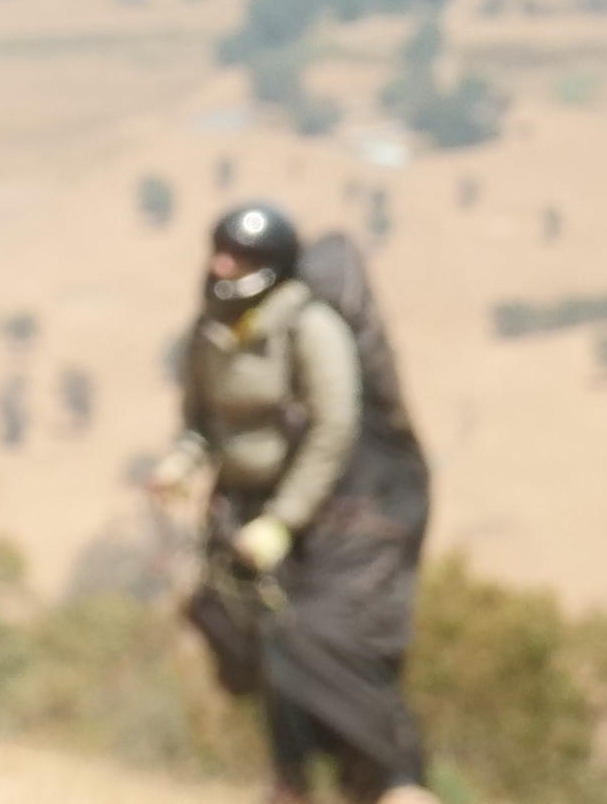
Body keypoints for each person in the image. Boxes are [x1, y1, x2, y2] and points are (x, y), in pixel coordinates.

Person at [167, 201, 437, 804]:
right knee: (261, 642)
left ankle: (393, 783)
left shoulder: (310, 329)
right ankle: (292, 783)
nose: (221, 263)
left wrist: (283, 523)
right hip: (246, 512)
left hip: (332, 523)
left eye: (239, 255)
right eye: (219, 249)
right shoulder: (212, 333)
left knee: (320, 641)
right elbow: (201, 421)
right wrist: (182, 465)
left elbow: (333, 429)